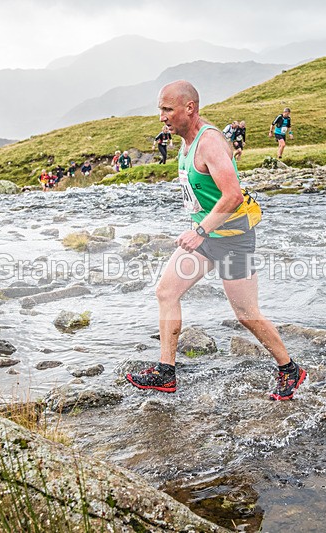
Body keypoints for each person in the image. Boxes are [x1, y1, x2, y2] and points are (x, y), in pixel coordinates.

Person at [126, 80, 306, 401]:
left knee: (246, 313)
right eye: (160, 110)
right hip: (207, 236)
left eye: (167, 109)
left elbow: (233, 195)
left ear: (189, 108)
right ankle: (166, 373)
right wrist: (201, 229)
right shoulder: (185, 142)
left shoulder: (209, 142)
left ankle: (290, 369)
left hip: (234, 239)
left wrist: (199, 231)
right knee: (166, 291)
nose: (162, 117)